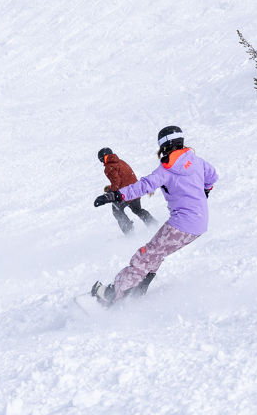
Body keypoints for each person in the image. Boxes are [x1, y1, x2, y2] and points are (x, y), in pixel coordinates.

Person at [90, 125, 217, 306]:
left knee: (145, 255)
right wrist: (205, 190)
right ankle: (138, 287)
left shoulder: (166, 170)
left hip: (182, 224)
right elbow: (212, 176)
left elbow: (143, 186)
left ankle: (113, 294)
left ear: (165, 146)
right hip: (199, 224)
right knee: (156, 252)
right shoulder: (197, 161)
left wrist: (115, 195)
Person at [98, 147, 156, 234]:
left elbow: (117, 182)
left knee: (117, 211)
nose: (102, 162)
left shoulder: (109, 167)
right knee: (137, 210)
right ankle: (153, 224)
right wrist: (111, 187)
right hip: (135, 190)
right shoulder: (121, 162)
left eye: (101, 160)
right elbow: (125, 178)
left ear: (103, 158)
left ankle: (129, 231)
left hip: (125, 193)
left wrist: (111, 192)